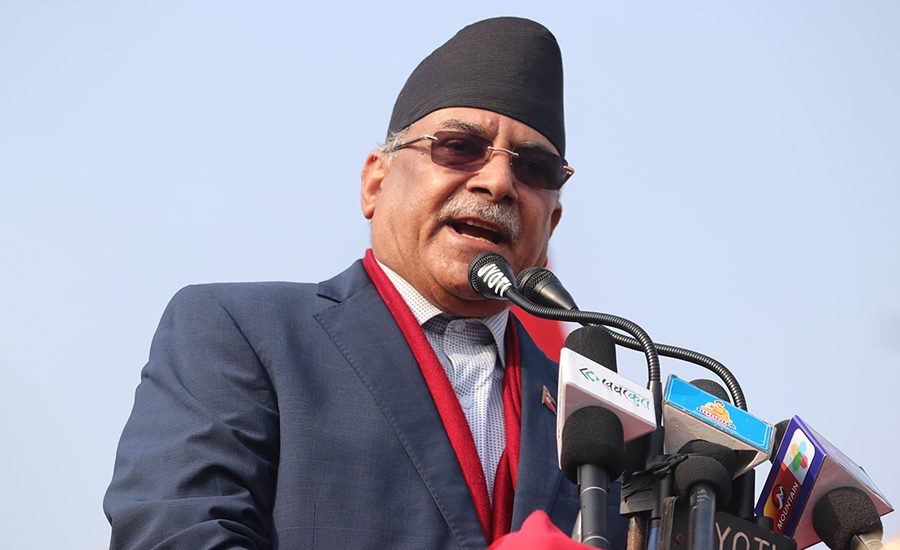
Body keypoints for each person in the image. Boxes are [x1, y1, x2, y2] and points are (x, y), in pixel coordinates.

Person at [104, 17, 626, 550]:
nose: (497, 182)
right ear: (376, 181)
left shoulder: (594, 415)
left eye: (534, 168)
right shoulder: (243, 332)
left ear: (551, 224)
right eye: (459, 146)